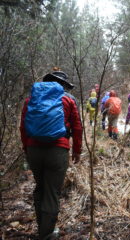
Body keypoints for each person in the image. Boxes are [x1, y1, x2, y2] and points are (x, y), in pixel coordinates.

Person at [20, 70, 82, 239]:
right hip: (58, 150)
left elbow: (23, 127)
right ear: (63, 85)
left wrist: (27, 149)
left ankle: (42, 228)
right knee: (52, 192)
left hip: (34, 150)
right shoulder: (68, 99)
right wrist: (77, 150)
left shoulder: (31, 99)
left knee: (40, 187)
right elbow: (77, 127)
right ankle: (47, 234)